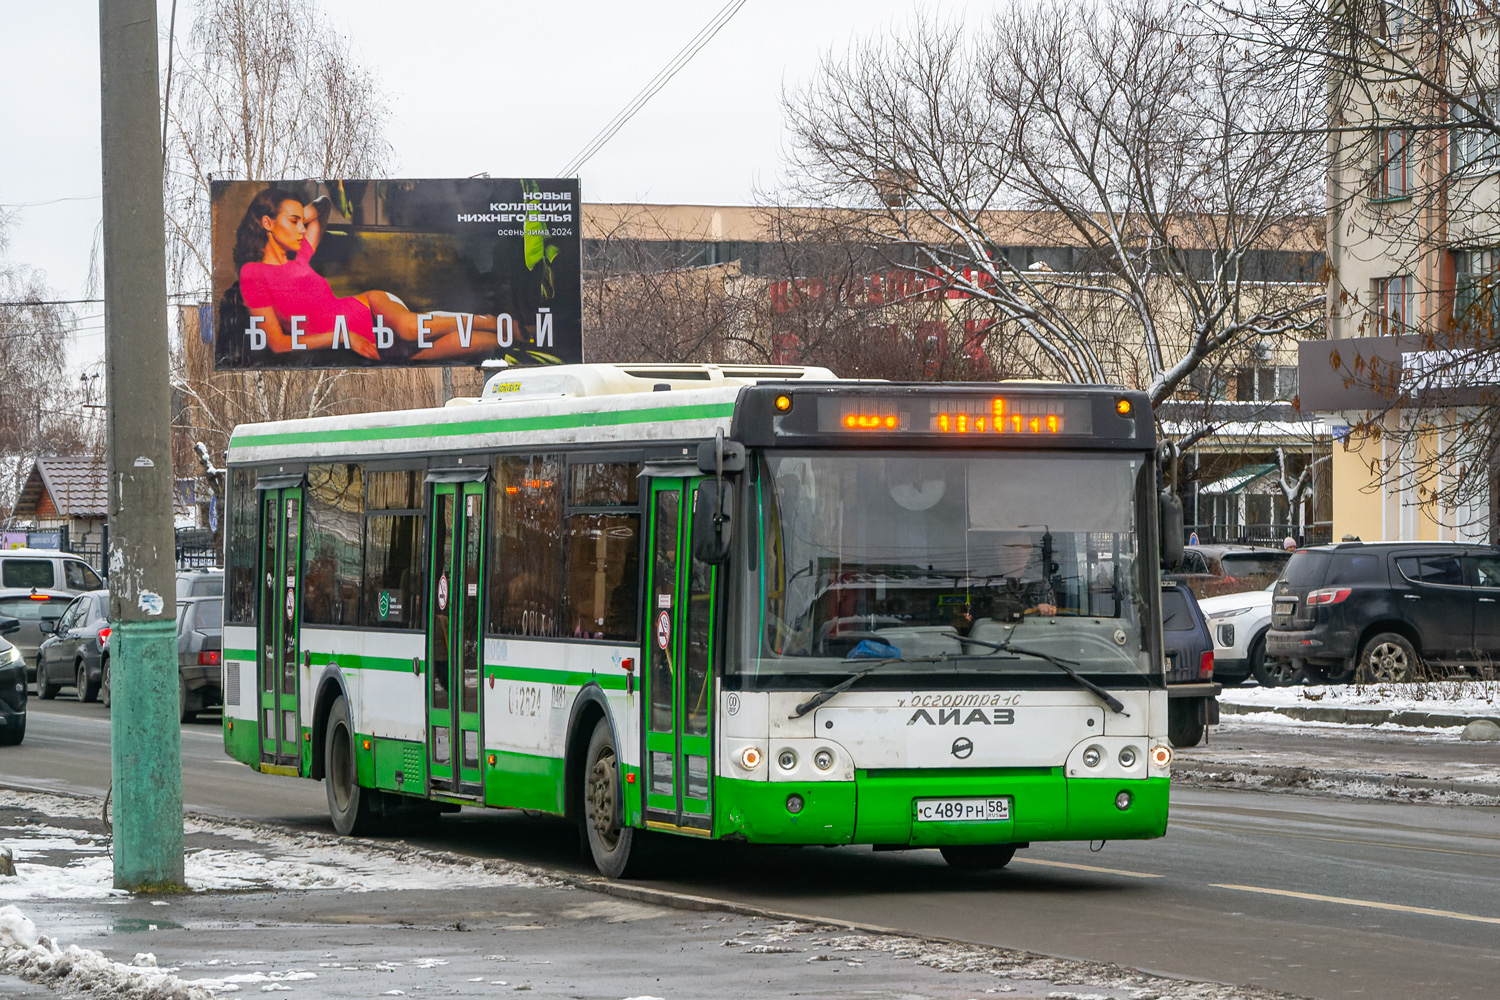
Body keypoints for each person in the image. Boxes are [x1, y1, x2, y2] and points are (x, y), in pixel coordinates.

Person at [230, 187, 503, 360]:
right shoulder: (253, 274)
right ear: (267, 222)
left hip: (371, 307)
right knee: (478, 345)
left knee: (410, 328)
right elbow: (277, 343)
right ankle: (507, 331)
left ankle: (493, 321)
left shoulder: (299, 257)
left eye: (303, 221)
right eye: (294, 221)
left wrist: (302, 213)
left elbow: (324, 204)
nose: (303, 229)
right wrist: (343, 336)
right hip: (368, 343)